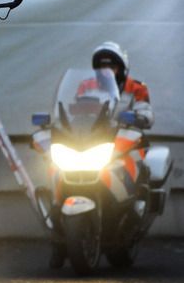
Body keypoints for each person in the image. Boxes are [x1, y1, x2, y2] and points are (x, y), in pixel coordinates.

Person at [49, 41, 154, 269]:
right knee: (54, 169)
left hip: (125, 139)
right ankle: (58, 240)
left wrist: (139, 117)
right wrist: (58, 120)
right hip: (91, 140)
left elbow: (147, 113)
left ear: (122, 68)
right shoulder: (86, 85)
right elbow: (70, 108)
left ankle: (135, 205)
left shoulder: (136, 87)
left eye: (112, 66)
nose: (107, 70)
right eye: (102, 65)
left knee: (135, 165)